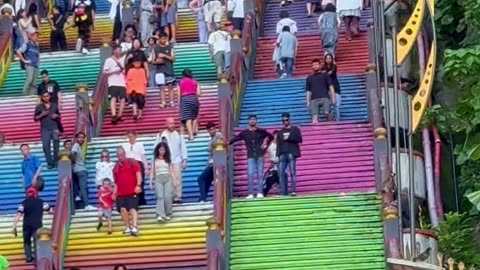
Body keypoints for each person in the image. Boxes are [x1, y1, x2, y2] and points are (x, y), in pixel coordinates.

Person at [229, 115, 273, 199]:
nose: (252, 121)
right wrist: (227, 142)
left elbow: (271, 137)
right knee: (250, 174)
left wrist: (265, 144)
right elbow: (236, 138)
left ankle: (260, 192)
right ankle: (250, 193)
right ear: (248, 121)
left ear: (257, 121)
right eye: (251, 120)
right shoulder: (245, 132)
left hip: (260, 154)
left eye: (254, 119)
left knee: (260, 174)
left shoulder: (261, 131)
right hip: (250, 155)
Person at [11, 188, 51, 263]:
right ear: (36, 193)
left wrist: (14, 226)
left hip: (26, 225)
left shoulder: (24, 203)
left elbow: (18, 214)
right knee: (37, 241)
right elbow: (50, 211)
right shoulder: (41, 202)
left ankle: (29, 257)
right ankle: (38, 256)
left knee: (26, 241)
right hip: (37, 225)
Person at [154, 118, 188, 203]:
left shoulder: (179, 134)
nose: (172, 125)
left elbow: (183, 147)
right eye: (170, 123)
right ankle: (170, 196)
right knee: (167, 179)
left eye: (173, 123)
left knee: (177, 178)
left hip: (176, 160)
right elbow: (156, 148)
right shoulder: (161, 135)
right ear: (166, 124)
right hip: (165, 160)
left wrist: (184, 160)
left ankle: (178, 196)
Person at [113, 147, 142, 236]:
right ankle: (127, 227)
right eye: (118, 156)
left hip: (132, 191)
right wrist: (114, 193)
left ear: (125, 154)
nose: (120, 157)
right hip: (121, 193)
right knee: (122, 209)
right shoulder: (116, 166)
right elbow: (116, 182)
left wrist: (138, 185)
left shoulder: (132, 162)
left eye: (121, 155)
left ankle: (135, 227)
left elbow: (138, 174)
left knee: (133, 208)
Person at [276, 112, 302, 196]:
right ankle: (283, 192)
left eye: (286, 120)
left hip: (291, 153)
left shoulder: (295, 129)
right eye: (283, 120)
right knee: (281, 173)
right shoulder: (280, 132)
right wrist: (277, 155)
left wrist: (289, 138)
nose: (285, 122)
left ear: (289, 120)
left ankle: (293, 190)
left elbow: (299, 139)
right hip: (282, 154)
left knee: (292, 172)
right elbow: (278, 144)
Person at [149, 142, 176, 221]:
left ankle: (168, 213)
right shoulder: (154, 159)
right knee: (160, 196)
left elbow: (171, 171)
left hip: (167, 178)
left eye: (163, 150)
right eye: (160, 150)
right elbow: (152, 171)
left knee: (167, 196)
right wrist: (150, 182)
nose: (162, 152)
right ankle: (160, 214)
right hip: (158, 178)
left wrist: (175, 180)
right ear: (157, 150)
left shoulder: (168, 159)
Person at [197, 122, 222, 202]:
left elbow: (220, 148)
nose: (212, 131)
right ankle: (203, 198)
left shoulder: (218, 136)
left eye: (213, 129)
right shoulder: (212, 138)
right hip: (212, 163)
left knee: (201, 178)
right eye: (210, 130)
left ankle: (203, 198)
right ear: (208, 131)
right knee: (207, 180)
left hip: (216, 163)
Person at [34, 91, 60, 169]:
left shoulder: (55, 105)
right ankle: (50, 163)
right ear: (42, 97)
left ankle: (56, 161)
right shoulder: (39, 107)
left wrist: (56, 116)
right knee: (45, 146)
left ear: (50, 96)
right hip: (45, 129)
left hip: (54, 127)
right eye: (44, 96)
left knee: (56, 143)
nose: (46, 97)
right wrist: (42, 114)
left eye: (47, 96)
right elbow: (35, 118)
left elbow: (59, 116)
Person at [121, 131, 148, 206]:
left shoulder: (139, 145)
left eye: (132, 136)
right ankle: (132, 201)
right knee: (130, 183)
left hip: (138, 164)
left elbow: (143, 156)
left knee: (140, 182)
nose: (130, 138)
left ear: (135, 136)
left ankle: (141, 200)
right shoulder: (124, 145)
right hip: (128, 165)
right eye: (129, 137)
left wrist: (146, 167)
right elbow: (122, 156)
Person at [306, 58, 336, 123]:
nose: (315, 66)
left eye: (316, 64)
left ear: (320, 65)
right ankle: (315, 131)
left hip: (325, 97)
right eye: (313, 65)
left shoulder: (325, 75)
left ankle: (332, 127)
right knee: (314, 117)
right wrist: (307, 101)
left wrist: (333, 97)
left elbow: (331, 86)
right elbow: (308, 90)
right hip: (314, 99)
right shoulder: (309, 77)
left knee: (327, 113)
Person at [72, 131, 95, 210]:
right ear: (76, 138)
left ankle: (80, 199)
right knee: (83, 187)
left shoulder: (79, 146)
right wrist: (73, 163)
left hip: (78, 169)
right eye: (79, 137)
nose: (81, 139)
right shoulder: (76, 145)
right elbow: (73, 155)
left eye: (83, 137)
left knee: (80, 187)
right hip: (80, 169)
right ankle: (86, 205)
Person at [104, 46, 127, 124]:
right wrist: (114, 71)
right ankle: (113, 115)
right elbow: (105, 72)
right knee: (113, 98)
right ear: (114, 51)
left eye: (121, 50)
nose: (120, 52)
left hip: (122, 82)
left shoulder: (121, 60)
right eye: (119, 50)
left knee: (123, 99)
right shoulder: (109, 60)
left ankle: (119, 115)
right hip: (113, 82)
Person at [179, 69, 201, 140]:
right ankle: (194, 131)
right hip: (194, 98)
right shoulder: (195, 82)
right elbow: (199, 93)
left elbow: (178, 94)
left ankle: (191, 135)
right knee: (194, 117)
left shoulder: (181, 82)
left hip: (185, 99)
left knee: (187, 118)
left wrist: (179, 103)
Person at [154, 32, 176, 108]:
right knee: (161, 87)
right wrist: (156, 62)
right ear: (159, 39)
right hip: (159, 70)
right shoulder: (155, 48)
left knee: (170, 86)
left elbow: (173, 59)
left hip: (169, 69)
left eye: (165, 38)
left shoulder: (170, 47)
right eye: (162, 38)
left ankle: (171, 101)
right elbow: (152, 60)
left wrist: (165, 56)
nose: (164, 40)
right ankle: (163, 102)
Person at [17, 31, 40, 96]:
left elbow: (37, 55)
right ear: (31, 37)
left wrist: (38, 63)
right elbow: (18, 51)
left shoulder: (36, 46)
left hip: (36, 65)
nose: (36, 38)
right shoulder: (27, 44)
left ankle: (31, 95)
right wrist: (24, 60)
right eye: (35, 36)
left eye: (37, 36)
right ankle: (24, 93)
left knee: (34, 82)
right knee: (30, 78)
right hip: (29, 65)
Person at [126, 56, 148, 120]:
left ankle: (140, 115)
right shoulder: (130, 70)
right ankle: (135, 113)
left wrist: (145, 90)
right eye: (135, 63)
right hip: (133, 89)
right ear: (133, 63)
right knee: (134, 101)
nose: (137, 64)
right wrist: (128, 89)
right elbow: (127, 81)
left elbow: (144, 81)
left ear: (141, 63)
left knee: (140, 102)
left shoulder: (142, 70)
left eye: (138, 63)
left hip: (141, 89)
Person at [324, 53, 341, 120]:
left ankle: (337, 119)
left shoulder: (334, 66)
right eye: (327, 58)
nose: (328, 60)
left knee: (337, 105)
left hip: (335, 87)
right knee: (329, 106)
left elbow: (330, 73)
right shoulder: (323, 67)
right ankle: (330, 119)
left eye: (329, 58)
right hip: (327, 88)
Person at [263, 131, 279, 196]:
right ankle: (264, 193)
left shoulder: (282, 145)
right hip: (273, 166)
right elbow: (263, 151)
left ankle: (284, 193)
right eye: (275, 136)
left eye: (278, 136)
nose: (276, 137)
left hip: (281, 165)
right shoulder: (270, 146)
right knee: (270, 179)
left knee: (282, 177)